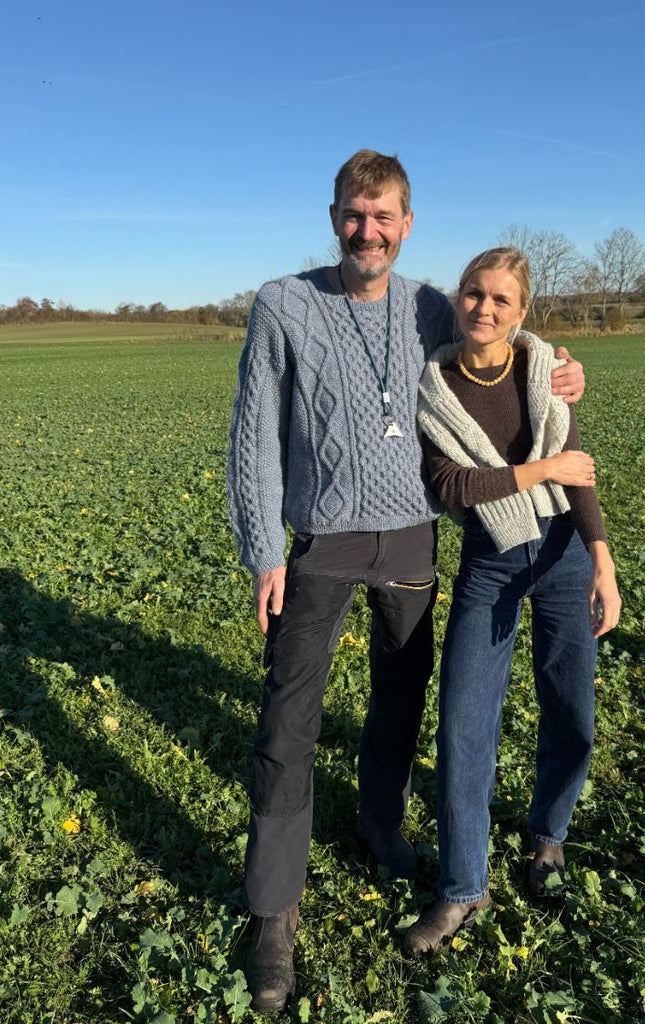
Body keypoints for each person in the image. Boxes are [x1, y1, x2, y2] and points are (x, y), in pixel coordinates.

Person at [227, 155, 586, 1012]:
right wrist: (263, 550)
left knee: (399, 696)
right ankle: (272, 911)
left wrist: (565, 370)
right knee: (288, 719)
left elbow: (504, 341)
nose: (368, 231)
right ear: (333, 217)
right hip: (319, 541)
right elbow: (254, 433)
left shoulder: (430, 301)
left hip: (414, 541)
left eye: (383, 216)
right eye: (354, 215)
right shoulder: (284, 302)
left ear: (407, 223)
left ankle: (378, 821)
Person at [404, 247, 620, 955]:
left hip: (560, 554)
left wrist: (601, 560)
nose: (484, 309)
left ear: (521, 312)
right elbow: (453, 488)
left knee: (571, 708)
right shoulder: (431, 385)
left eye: (500, 299)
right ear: (456, 299)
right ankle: (463, 888)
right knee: (463, 722)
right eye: (473, 294)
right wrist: (541, 470)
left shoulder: (544, 370)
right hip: (489, 562)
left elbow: (578, 470)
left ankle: (547, 835)